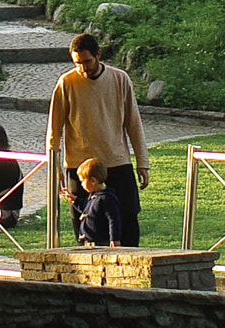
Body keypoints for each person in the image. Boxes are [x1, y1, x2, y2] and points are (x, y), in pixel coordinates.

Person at [47, 31, 149, 249]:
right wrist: (55, 171)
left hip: (116, 161)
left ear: (98, 55)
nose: (82, 67)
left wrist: (143, 162)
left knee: (127, 217)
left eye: (87, 61)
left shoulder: (120, 79)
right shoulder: (66, 83)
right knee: (85, 222)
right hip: (79, 166)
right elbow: (54, 132)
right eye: (77, 63)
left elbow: (133, 123)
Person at [75, 157, 121, 246]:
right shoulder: (92, 195)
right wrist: (74, 200)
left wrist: (114, 239)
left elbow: (113, 219)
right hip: (88, 242)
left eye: (82, 181)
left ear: (93, 181)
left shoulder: (106, 198)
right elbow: (86, 209)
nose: (81, 184)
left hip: (101, 242)